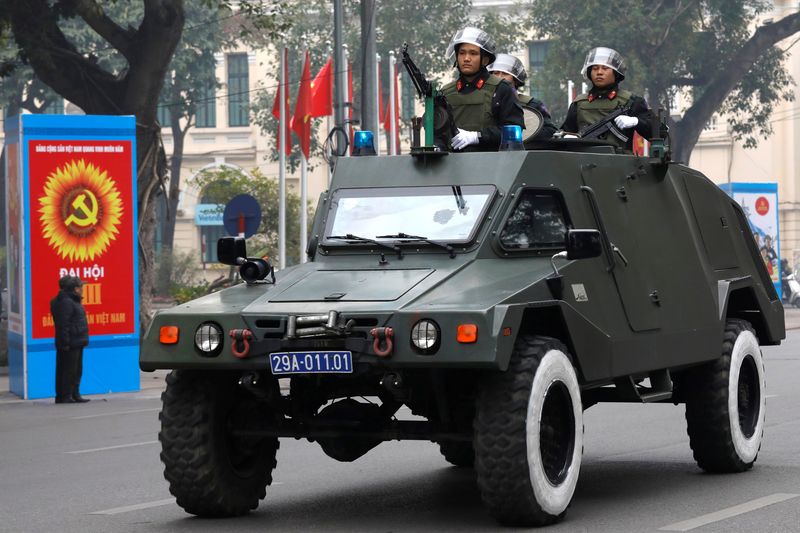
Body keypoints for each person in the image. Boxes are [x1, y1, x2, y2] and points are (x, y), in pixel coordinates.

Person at [442, 27, 524, 152]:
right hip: (453, 165)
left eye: (473, 53)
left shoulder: (502, 89)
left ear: (485, 59)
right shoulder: (446, 93)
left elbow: (513, 131)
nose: (466, 58)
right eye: (462, 53)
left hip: (492, 164)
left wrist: (477, 136)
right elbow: (437, 132)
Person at [561, 47, 653, 152]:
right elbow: (565, 134)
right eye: (595, 68)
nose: (599, 72)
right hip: (583, 163)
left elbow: (660, 133)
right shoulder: (579, 103)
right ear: (590, 73)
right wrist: (567, 137)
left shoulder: (631, 101)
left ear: (615, 73)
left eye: (605, 68)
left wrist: (637, 121)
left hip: (621, 164)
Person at [488, 53, 557, 140]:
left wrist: (527, 133)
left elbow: (550, 130)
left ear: (516, 80)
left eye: (505, 74)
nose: (500, 77)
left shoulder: (533, 104)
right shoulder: (484, 102)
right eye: (496, 73)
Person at [51, 275, 90, 403]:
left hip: (76, 341)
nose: (82, 289)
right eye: (80, 287)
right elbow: (64, 325)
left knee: (76, 370)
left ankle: (74, 393)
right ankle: (65, 395)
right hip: (70, 342)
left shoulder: (72, 301)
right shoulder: (65, 302)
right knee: (68, 370)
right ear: (75, 289)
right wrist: (65, 343)